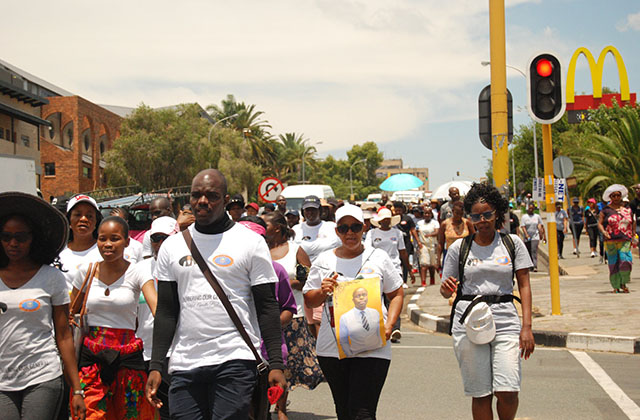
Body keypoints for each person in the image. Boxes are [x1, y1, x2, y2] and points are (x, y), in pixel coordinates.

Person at [145, 169, 286, 419]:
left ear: (225, 199)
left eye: (211, 195)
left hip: (235, 358)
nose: (203, 201)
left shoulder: (250, 242)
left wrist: (275, 363)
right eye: (196, 195)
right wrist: (156, 365)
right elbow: (167, 311)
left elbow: (267, 306)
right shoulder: (172, 247)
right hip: (184, 362)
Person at [440, 182, 534, 420]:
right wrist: (445, 289)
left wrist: (527, 328)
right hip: (470, 321)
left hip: (506, 320)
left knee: (508, 391)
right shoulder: (459, 249)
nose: (482, 220)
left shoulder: (512, 244)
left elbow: (524, 285)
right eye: (476, 215)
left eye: (487, 214)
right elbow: (445, 290)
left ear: (498, 213)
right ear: (470, 217)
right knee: (481, 393)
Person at [303, 204, 404, 420]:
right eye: (344, 228)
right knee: (344, 410)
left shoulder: (379, 258)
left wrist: (389, 325)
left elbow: (396, 293)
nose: (350, 233)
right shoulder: (323, 261)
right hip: (332, 349)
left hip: (373, 347)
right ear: (337, 231)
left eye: (356, 227)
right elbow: (309, 300)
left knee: (363, 412)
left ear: (364, 228)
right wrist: (322, 291)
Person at [0, 192, 86, 420]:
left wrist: (76, 388)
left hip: (42, 376)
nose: (13, 243)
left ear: (33, 238)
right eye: (6, 236)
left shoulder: (51, 278)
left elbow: (64, 335)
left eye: (21, 237)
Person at [70, 216, 157, 419]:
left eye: (115, 239)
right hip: (91, 360)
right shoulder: (86, 272)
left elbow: (157, 309)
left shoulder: (138, 272)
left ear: (127, 242)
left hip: (127, 357)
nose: (108, 244)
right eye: (102, 239)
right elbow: (69, 312)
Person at [262, 211, 323, 420]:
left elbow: (310, 278)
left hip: (292, 314)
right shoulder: (259, 250)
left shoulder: (295, 250)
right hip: (264, 315)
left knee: (284, 364)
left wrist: (289, 283)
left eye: (266, 225)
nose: (263, 229)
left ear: (277, 228)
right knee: (264, 363)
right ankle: (262, 405)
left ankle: (281, 408)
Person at [135, 216, 180, 420]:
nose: (160, 244)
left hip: (176, 352)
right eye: (156, 238)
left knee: (173, 412)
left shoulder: (188, 267)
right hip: (142, 352)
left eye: (166, 238)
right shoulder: (140, 269)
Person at [365, 207, 412, 342]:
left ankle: (394, 328)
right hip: (376, 270)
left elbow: (402, 252)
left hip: (394, 269)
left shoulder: (397, 233)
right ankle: (378, 327)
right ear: (379, 220)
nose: (386, 221)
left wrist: (408, 269)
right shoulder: (372, 233)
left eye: (388, 219)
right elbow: (367, 251)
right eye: (383, 219)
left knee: (394, 298)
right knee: (379, 300)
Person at [58, 195, 103, 291]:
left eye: (89, 216)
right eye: (78, 215)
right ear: (69, 220)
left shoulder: (104, 251)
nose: (83, 219)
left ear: (96, 222)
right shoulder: (58, 252)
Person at [598, 184, 636, 293]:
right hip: (610, 240)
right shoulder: (605, 210)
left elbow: (632, 221)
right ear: (610, 197)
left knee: (626, 261)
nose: (616, 198)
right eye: (613, 196)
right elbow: (600, 223)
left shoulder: (627, 209)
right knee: (613, 263)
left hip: (625, 239)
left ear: (621, 196)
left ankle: (624, 282)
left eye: (618, 195)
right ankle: (616, 285)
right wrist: (604, 232)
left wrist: (633, 233)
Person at [293, 195, 341, 263]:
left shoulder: (332, 227)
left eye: (313, 209)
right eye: (307, 210)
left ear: (320, 210)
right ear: (303, 211)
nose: (310, 212)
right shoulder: (296, 230)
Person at [338, 287, 382, 357]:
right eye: (358, 296)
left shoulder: (375, 313)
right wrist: (349, 354)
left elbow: (378, 333)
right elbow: (343, 340)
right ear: (353, 300)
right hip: (356, 355)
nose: (361, 298)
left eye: (364, 295)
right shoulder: (345, 317)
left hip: (376, 353)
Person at [437, 201, 475, 266]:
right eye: (457, 213)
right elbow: (441, 243)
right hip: (450, 254)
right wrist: (438, 260)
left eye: (461, 214)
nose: (459, 216)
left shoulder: (468, 223)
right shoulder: (445, 224)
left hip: (465, 255)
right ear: (452, 211)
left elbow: (474, 239)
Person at [393, 202, 421, 286]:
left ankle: (404, 281)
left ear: (403, 210)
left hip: (406, 243)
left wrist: (418, 241)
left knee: (405, 262)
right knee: (397, 262)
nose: (398, 212)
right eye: (396, 210)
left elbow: (413, 230)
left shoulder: (407, 218)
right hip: (395, 244)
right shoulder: (392, 220)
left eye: (399, 210)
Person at [416, 207, 440, 286]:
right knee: (424, 264)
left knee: (432, 264)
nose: (427, 215)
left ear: (431, 214)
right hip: (423, 245)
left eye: (428, 213)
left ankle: (432, 279)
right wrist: (418, 242)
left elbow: (437, 232)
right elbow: (415, 232)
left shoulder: (435, 223)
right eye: (425, 213)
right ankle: (423, 281)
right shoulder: (419, 223)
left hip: (433, 245)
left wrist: (430, 235)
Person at [519, 204, 546, 272]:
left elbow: (541, 225)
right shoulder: (524, 217)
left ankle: (535, 265)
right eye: (529, 208)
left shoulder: (537, 216)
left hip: (535, 236)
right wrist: (526, 234)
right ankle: (530, 265)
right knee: (528, 251)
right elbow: (523, 227)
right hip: (527, 237)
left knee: (534, 250)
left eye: (532, 208)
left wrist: (542, 235)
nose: (531, 210)